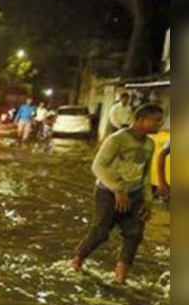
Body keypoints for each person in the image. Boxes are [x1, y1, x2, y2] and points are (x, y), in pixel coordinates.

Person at [71, 104, 166, 285]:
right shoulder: (117, 140)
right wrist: (116, 188)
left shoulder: (150, 144)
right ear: (140, 120)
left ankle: (120, 278)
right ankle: (76, 262)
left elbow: (145, 174)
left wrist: (148, 199)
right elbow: (97, 166)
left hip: (136, 193)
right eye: (156, 121)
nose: (159, 126)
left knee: (134, 234)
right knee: (101, 232)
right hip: (108, 192)